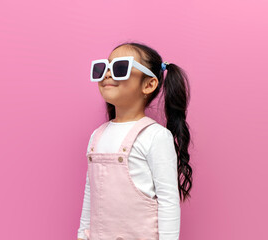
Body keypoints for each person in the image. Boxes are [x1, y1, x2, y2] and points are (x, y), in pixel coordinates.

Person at [77, 42, 193, 240]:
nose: (107, 74)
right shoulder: (97, 135)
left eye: (120, 68)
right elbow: (92, 194)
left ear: (149, 84)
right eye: (103, 68)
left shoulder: (155, 136)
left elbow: (168, 200)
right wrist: (82, 233)